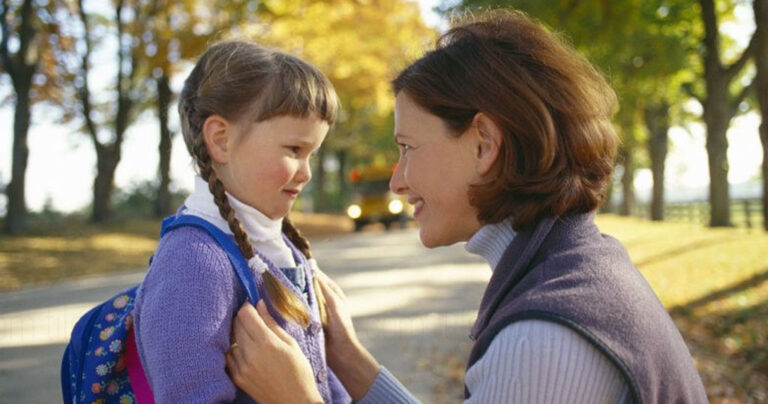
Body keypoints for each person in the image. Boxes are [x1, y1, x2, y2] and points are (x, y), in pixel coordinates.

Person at [225, 10, 709, 404]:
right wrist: (347, 360)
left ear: (483, 144)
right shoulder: (578, 268)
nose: (397, 181)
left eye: (408, 148)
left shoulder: (544, 341)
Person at [133, 40, 350, 403]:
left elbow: (322, 379)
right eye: (294, 150)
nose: (307, 173)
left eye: (313, 153)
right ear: (221, 139)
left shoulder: (281, 247)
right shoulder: (193, 264)